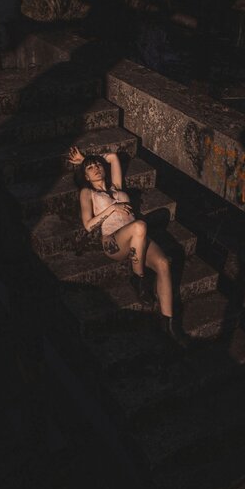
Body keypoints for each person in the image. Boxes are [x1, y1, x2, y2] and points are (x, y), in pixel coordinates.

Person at [68, 146, 189, 347]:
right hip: (114, 242)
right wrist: (112, 209)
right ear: (86, 176)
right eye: (90, 168)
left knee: (163, 264)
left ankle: (169, 325)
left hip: (137, 239)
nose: (96, 168)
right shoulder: (88, 192)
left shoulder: (116, 186)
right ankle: (138, 278)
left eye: (98, 165)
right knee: (140, 225)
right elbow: (88, 225)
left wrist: (86, 159)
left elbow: (112, 156)